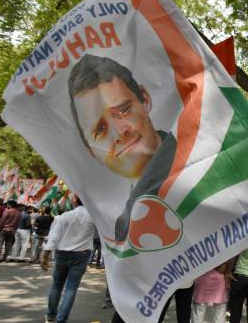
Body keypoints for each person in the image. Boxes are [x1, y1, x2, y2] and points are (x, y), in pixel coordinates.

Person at [68, 54, 176, 242]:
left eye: (123, 110)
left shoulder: (204, 160)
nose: (120, 132)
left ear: (145, 99)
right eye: (100, 129)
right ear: (91, 151)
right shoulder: (124, 226)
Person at [41, 195, 95, 323]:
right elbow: (98, 236)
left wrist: (45, 256)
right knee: (71, 289)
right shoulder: (94, 217)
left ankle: (51, 316)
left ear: (75, 200)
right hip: (82, 255)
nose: (71, 199)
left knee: (56, 285)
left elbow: (54, 237)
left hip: (62, 255)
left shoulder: (64, 216)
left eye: (72, 197)